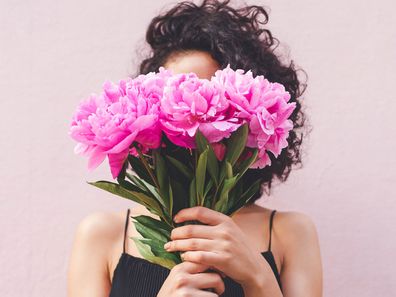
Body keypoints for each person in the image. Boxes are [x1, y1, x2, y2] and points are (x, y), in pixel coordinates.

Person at [67, 0, 322, 296]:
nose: (189, 119)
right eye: (171, 101)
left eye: (207, 97)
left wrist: (257, 277)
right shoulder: (103, 234)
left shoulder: (289, 232)